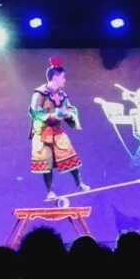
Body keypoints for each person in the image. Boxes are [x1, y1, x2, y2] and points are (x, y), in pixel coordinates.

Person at [29, 56, 90, 200]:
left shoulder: (62, 95)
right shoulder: (40, 93)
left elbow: (70, 109)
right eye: (63, 77)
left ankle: (79, 183)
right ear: (55, 77)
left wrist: (67, 114)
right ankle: (50, 191)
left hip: (57, 132)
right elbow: (34, 111)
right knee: (46, 161)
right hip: (43, 133)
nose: (65, 80)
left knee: (69, 154)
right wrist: (52, 116)